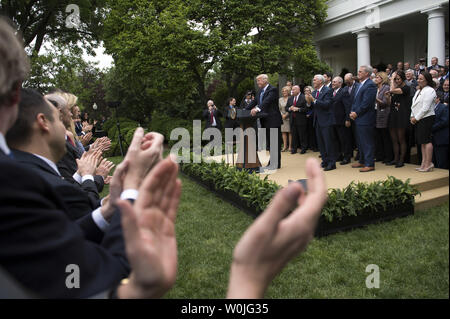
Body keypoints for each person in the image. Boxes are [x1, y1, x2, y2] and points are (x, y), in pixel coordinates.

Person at [245, 74, 282, 170]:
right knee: (270, 143)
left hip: (273, 120)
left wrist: (257, 109)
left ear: (265, 80)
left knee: (275, 143)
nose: (257, 83)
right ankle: (272, 162)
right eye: (257, 81)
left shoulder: (272, 90)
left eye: (259, 81)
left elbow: (267, 101)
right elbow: (254, 102)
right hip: (264, 121)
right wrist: (243, 110)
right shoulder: (260, 92)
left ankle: (275, 163)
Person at [349, 65, 377, 172]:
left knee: (367, 141)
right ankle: (362, 160)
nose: (358, 73)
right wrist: (352, 111)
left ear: (367, 73)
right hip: (358, 117)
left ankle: (369, 164)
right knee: (360, 141)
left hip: (366, 117)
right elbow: (355, 100)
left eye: (360, 71)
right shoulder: (360, 85)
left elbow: (366, 103)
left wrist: (356, 113)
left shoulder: (370, 85)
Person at [305, 75, 336, 171]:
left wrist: (314, 100)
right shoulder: (314, 92)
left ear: (320, 81)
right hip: (317, 121)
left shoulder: (328, 90)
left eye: (314, 80)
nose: (313, 81)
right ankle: (325, 161)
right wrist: (309, 102)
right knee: (321, 143)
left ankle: (332, 163)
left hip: (326, 120)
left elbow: (327, 104)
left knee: (328, 143)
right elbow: (311, 107)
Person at [410, 72, 437, 172]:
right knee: (421, 142)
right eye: (418, 78)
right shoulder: (418, 91)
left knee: (426, 140)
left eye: (421, 79)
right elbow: (414, 105)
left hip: (426, 118)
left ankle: (428, 163)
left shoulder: (430, 91)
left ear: (427, 80)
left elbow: (425, 108)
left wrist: (416, 118)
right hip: (418, 118)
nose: (419, 80)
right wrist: (412, 116)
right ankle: (423, 163)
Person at [385, 70, 412, 167]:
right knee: (394, 139)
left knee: (401, 139)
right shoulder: (395, 89)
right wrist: (388, 97)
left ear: (403, 78)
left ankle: (401, 159)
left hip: (402, 115)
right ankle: (395, 158)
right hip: (393, 115)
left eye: (398, 79)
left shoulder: (406, 88)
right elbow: (389, 103)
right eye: (395, 79)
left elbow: (392, 90)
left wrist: (391, 79)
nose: (396, 80)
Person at [331, 76, 352, 164]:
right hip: (333, 120)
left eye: (335, 82)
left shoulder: (344, 92)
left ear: (340, 83)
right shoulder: (332, 92)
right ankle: (339, 155)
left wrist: (348, 119)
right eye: (332, 81)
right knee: (336, 140)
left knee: (344, 140)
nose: (333, 83)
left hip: (342, 120)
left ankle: (347, 157)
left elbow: (347, 106)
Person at [374, 72, 393, 164]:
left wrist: (375, 98)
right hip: (376, 114)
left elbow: (385, 103)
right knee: (378, 137)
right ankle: (380, 155)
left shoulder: (386, 88)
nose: (375, 79)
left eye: (377, 77)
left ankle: (388, 156)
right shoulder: (376, 88)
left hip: (384, 114)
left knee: (385, 137)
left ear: (382, 78)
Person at [286, 85, 308, 154]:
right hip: (292, 119)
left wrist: (298, 109)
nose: (292, 91)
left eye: (294, 89)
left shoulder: (304, 97)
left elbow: (307, 109)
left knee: (302, 135)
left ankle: (303, 148)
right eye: (292, 89)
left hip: (301, 119)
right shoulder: (290, 98)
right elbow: (286, 108)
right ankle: (294, 149)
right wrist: (290, 108)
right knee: (294, 135)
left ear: (298, 90)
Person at [432, 92, 449, 169]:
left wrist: (432, 128)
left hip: (441, 138)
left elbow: (444, 121)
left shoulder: (443, 107)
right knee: (434, 161)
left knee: (441, 162)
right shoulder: (431, 108)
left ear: (437, 98)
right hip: (433, 139)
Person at [304, 86, 318, 152]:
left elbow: (314, 107)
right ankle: (309, 145)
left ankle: (314, 146)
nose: (307, 92)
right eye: (305, 90)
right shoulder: (303, 98)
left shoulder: (313, 97)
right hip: (305, 117)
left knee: (313, 132)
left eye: (308, 90)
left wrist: (310, 114)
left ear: (310, 91)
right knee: (307, 132)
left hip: (312, 116)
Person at [279, 86, 292, 152]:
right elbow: (279, 109)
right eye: (283, 91)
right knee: (283, 132)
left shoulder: (291, 98)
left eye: (285, 91)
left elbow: (291, 108)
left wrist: (286, 115)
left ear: (288, 92)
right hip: (282, 117)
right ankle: (284, 146)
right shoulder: (280, 99)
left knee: (290, 132)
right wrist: (282, 115)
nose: (284, 92)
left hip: (289, 116)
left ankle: (290, 146)